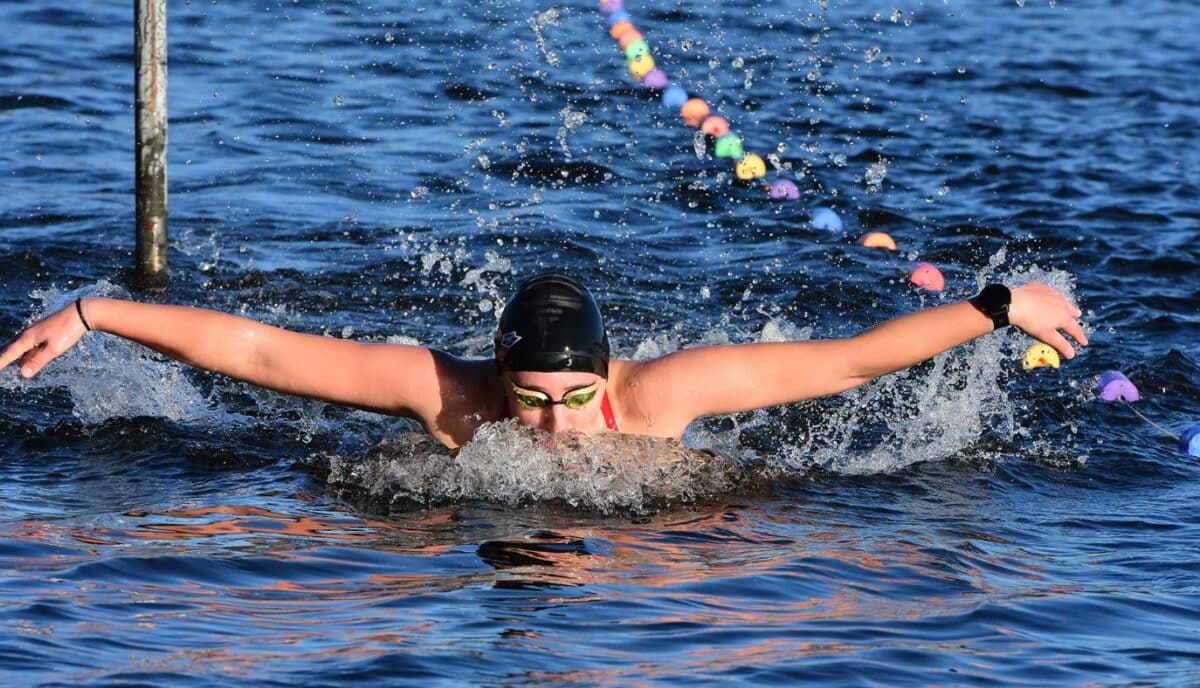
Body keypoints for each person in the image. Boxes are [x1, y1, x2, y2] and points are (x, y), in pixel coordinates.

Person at [0, 272, 1086, 448]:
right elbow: (262, 353)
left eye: (576, 397)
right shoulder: (451, 399)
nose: (561, 428)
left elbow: (851, 363)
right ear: (499, 373)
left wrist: (999, 305)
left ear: (608, 378)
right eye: (533, 399)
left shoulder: (658, 397)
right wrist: (95, 314)